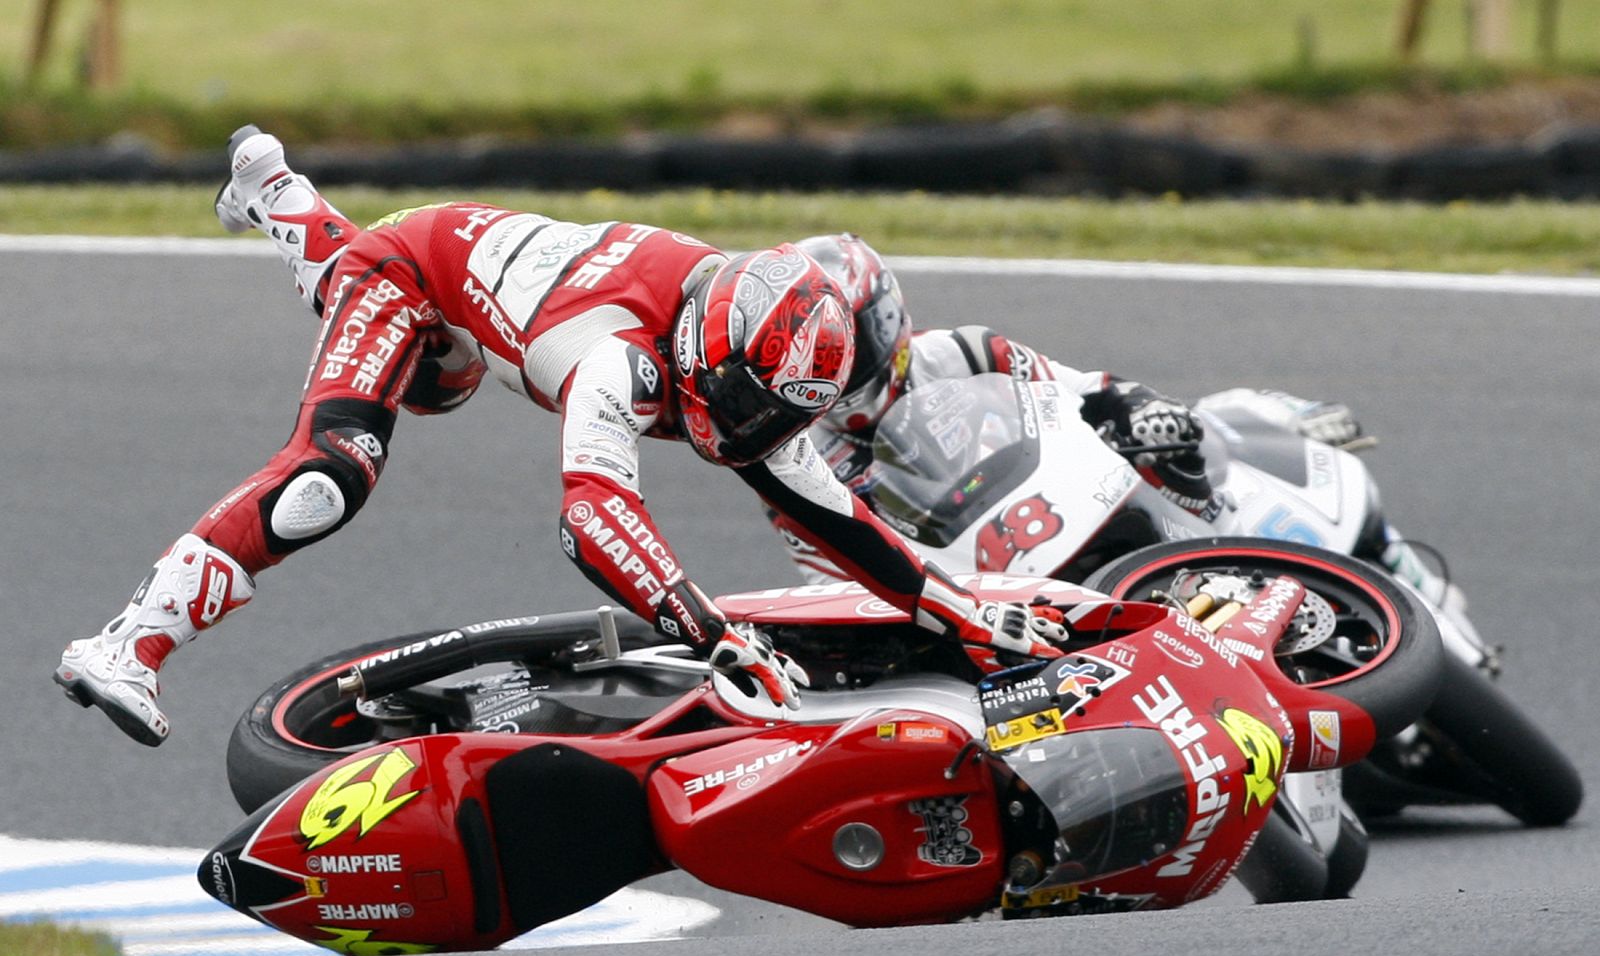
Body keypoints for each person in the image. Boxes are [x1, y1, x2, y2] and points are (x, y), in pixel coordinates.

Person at [54, 128, 1065, 747]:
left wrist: (968, 616)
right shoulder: (614, 355)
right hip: (415, 271)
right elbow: (592, 518)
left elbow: (836, 516)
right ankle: (128, 643)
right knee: (332, 472)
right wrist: (713, 632)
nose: (749, 434)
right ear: (702, 354)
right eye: (739, 403)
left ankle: (275, 191)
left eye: (772, 415)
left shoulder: (749, 354)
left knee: (437, 383)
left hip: (473, 320)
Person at [769, 233, 1452, 614]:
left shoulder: (964, 352)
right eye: (824, 355)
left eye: (851, 343)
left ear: (885, 320)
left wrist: (1142, 410)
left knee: (1207, 435)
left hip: (1079, 497)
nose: (842, 365)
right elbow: (834, 583)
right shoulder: (797, 460)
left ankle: (1409, 580)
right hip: (992, 584)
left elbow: (1085, 390)